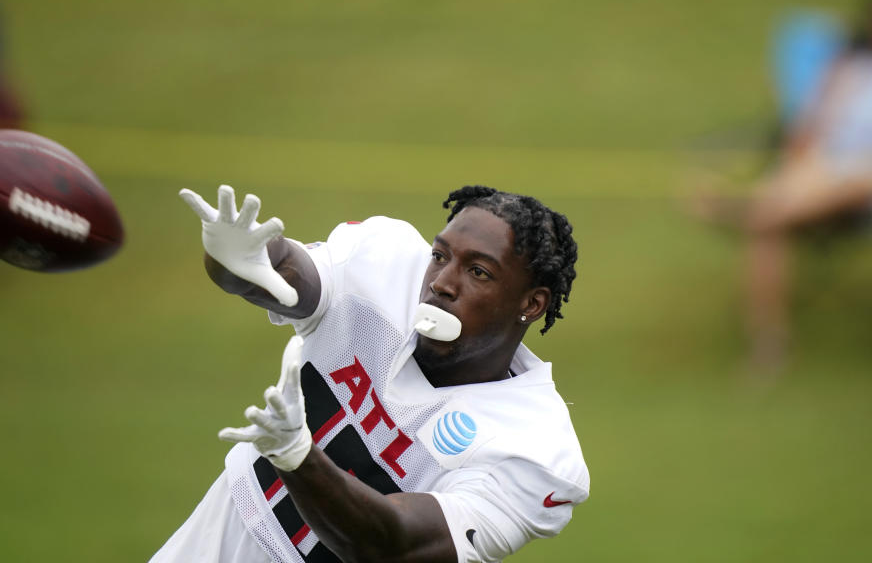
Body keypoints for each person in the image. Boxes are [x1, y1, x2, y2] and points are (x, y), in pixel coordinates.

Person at [151, 184, 589, 563]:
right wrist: (236, 259)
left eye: (478, 272)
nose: (440, 282)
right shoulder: (385, 264)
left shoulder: (536, 451)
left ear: (531, 305)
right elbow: (284, 275)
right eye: (440, 256)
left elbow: (392, 549)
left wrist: (297, 457)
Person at [701, 0, 872, 368]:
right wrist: (798, 155)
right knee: (776, 217)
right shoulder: (849, 66)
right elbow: (809, 132)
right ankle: (769, 344)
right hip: (827, 170)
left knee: (841, 185)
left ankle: (746, 209)